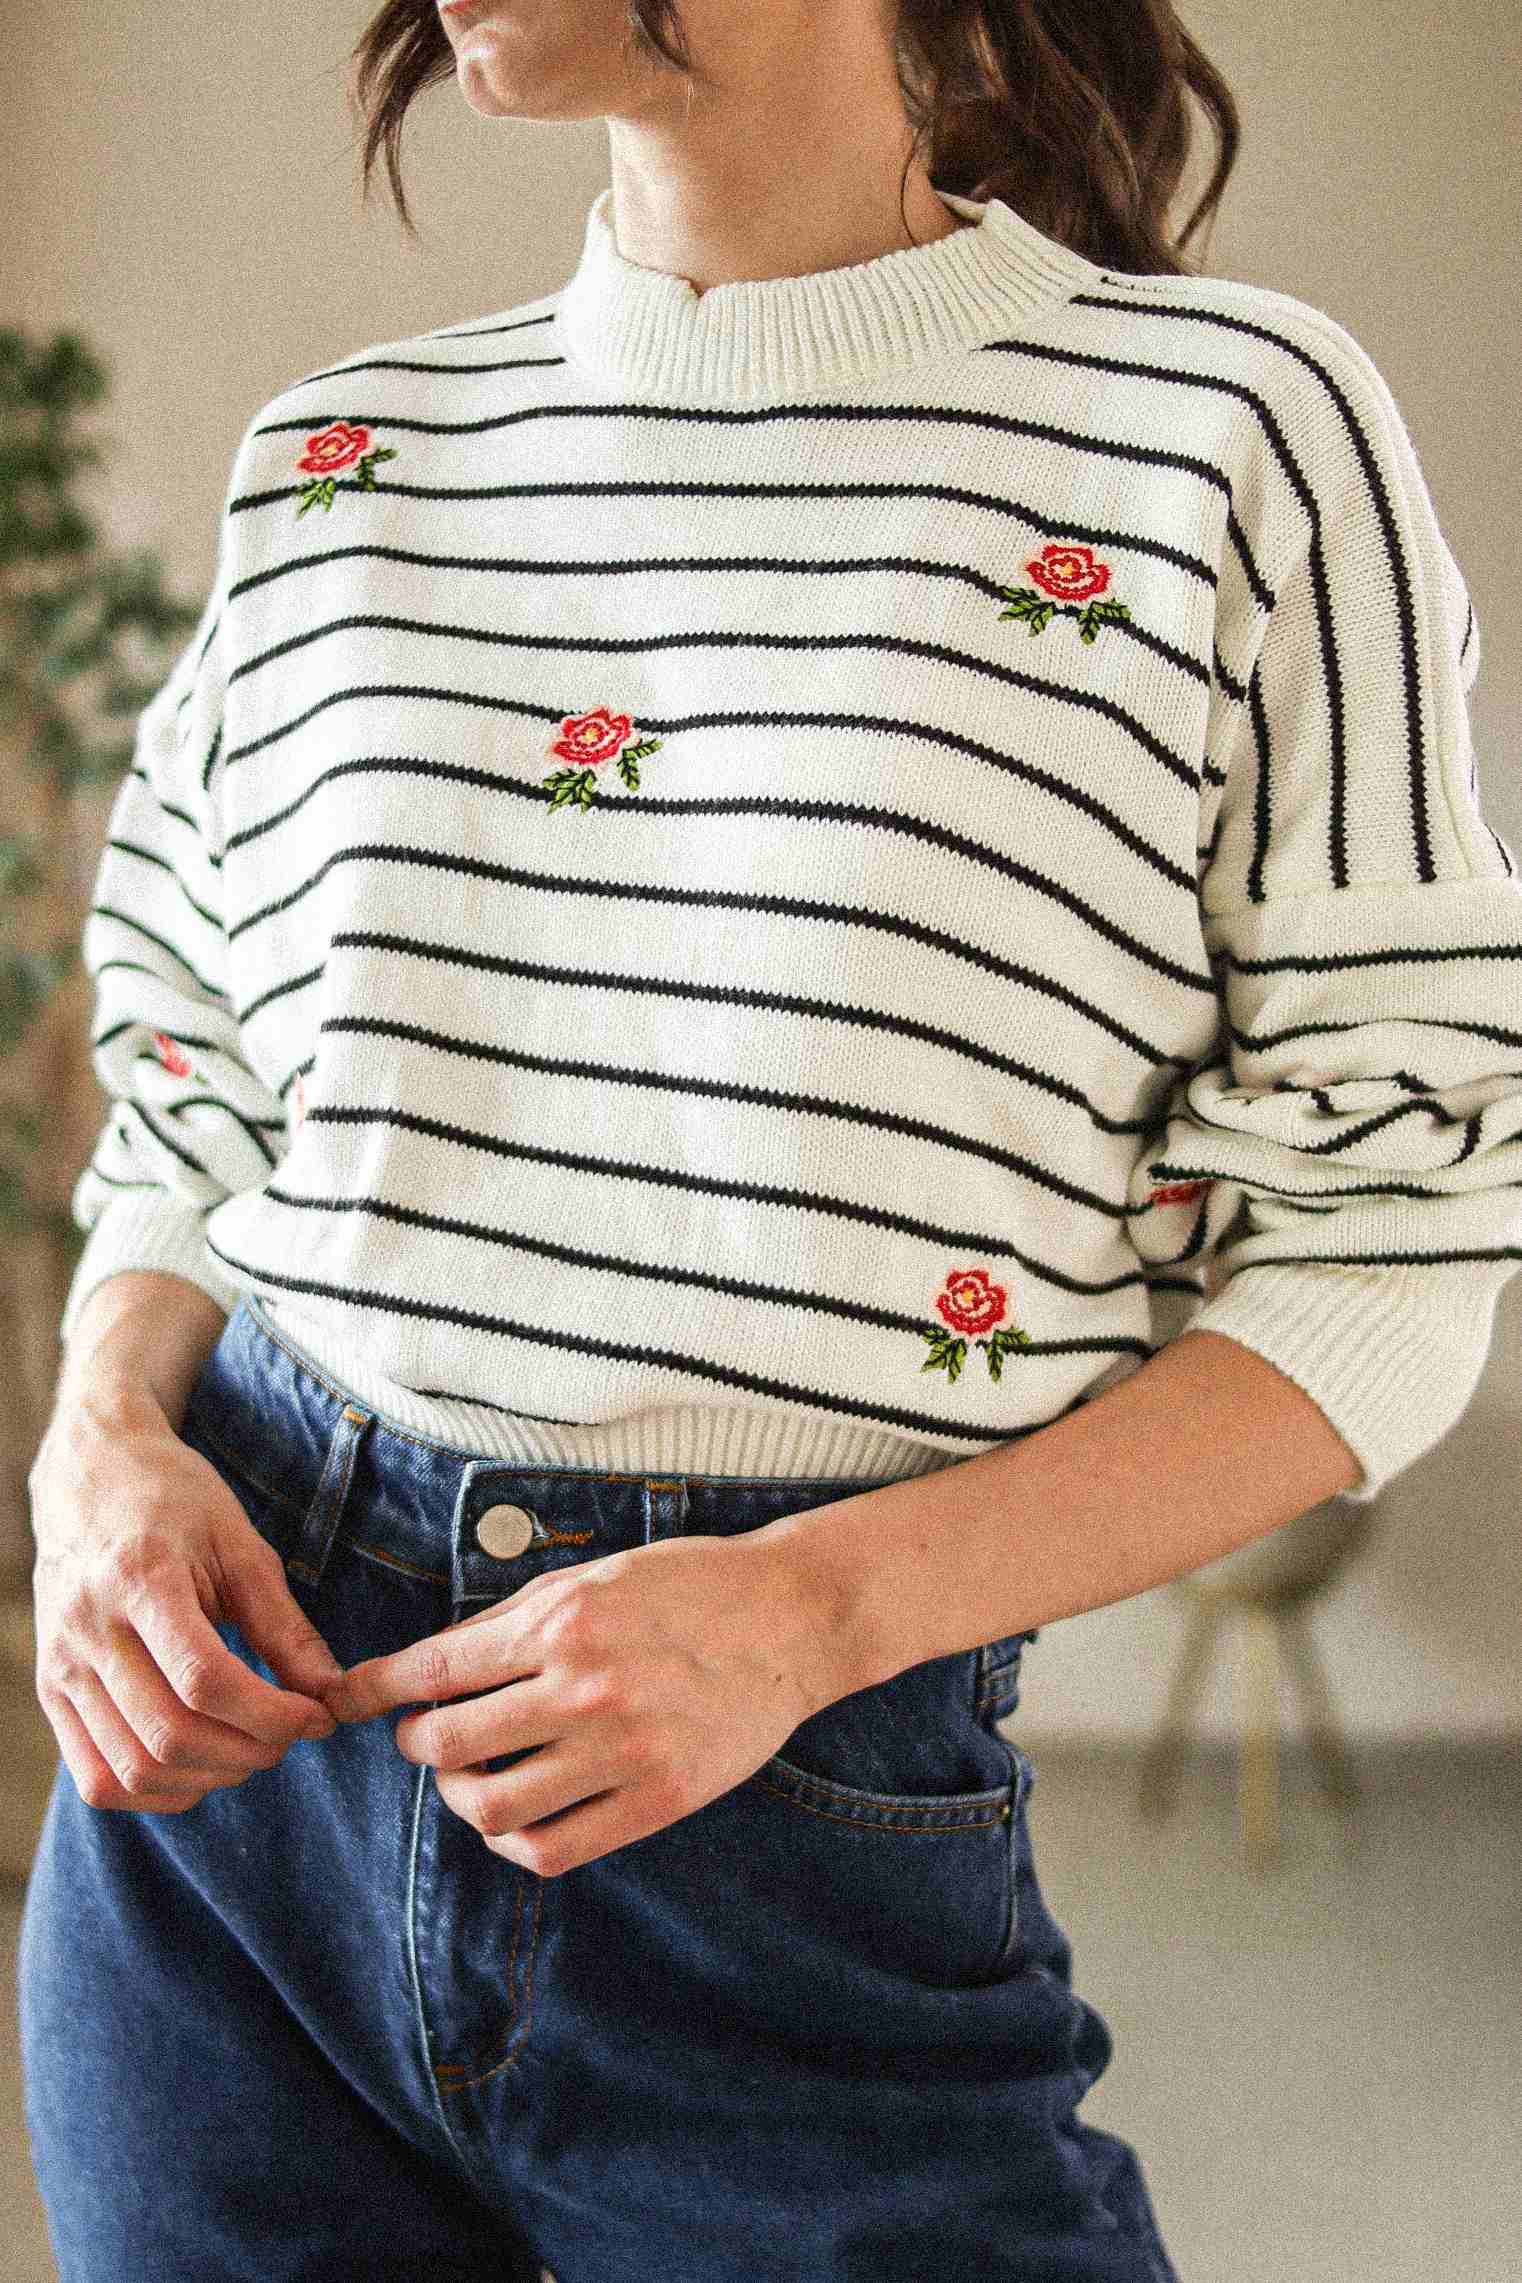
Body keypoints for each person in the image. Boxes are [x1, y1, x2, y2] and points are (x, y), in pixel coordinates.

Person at [17, 2, 1521, 2277]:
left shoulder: (1227, 435)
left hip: (791, 1816)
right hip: (225, 1824)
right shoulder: (339, 456)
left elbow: (1391, 1246)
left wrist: (814, 1609)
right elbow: (191, 1091)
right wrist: (102, 1439)